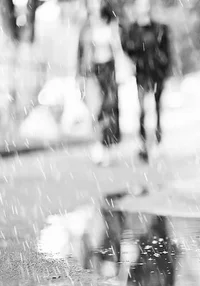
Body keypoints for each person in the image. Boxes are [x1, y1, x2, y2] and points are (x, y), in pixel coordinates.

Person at [121, 0, 171, 163]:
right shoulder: (132, 30)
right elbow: (127, 49)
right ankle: (143, 144)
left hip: (157, 73)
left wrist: (165, 69)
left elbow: (166, 51)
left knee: (157, 109)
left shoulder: (160, 28)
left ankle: (157, 142)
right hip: (142, 74)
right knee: (142, 111)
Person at [77, 0, 123, 166]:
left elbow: (119, 49)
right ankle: (98, 146)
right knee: (96, 111)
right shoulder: (86, 27)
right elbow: (80, 54)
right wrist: (80, 77)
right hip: (92, 71)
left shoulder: (112, 23)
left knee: (109, 110)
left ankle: (108, 146)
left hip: (109, 71)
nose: (95, 6)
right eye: (91, 3)